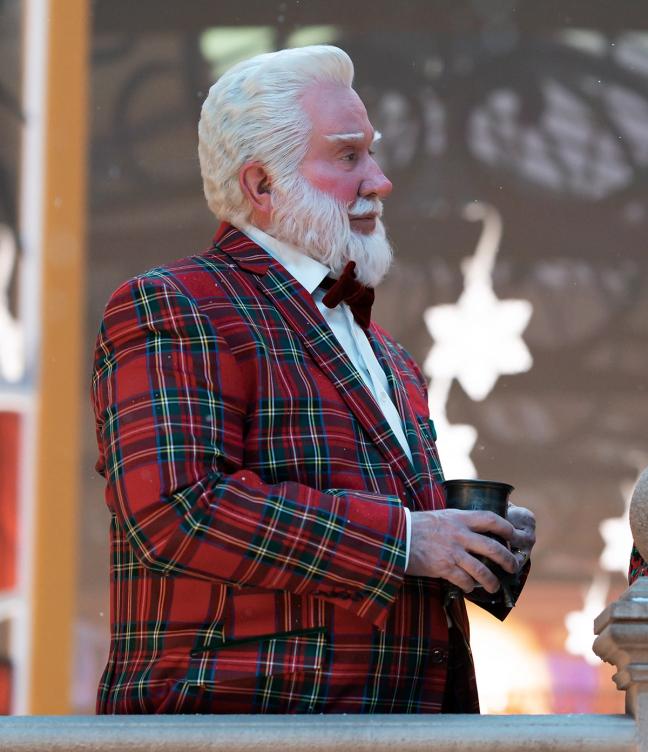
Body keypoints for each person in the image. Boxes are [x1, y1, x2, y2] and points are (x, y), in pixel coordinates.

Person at [92, 44, 536, 715]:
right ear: (261, 185)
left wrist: (472, 543)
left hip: (396, 727)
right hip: (240, 729)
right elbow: (176, 511)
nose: (380, 181)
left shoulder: (385, 351)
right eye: (348, 156)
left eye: (371, 154)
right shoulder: (173, 303)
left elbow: (393, 552)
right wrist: (409, 540)